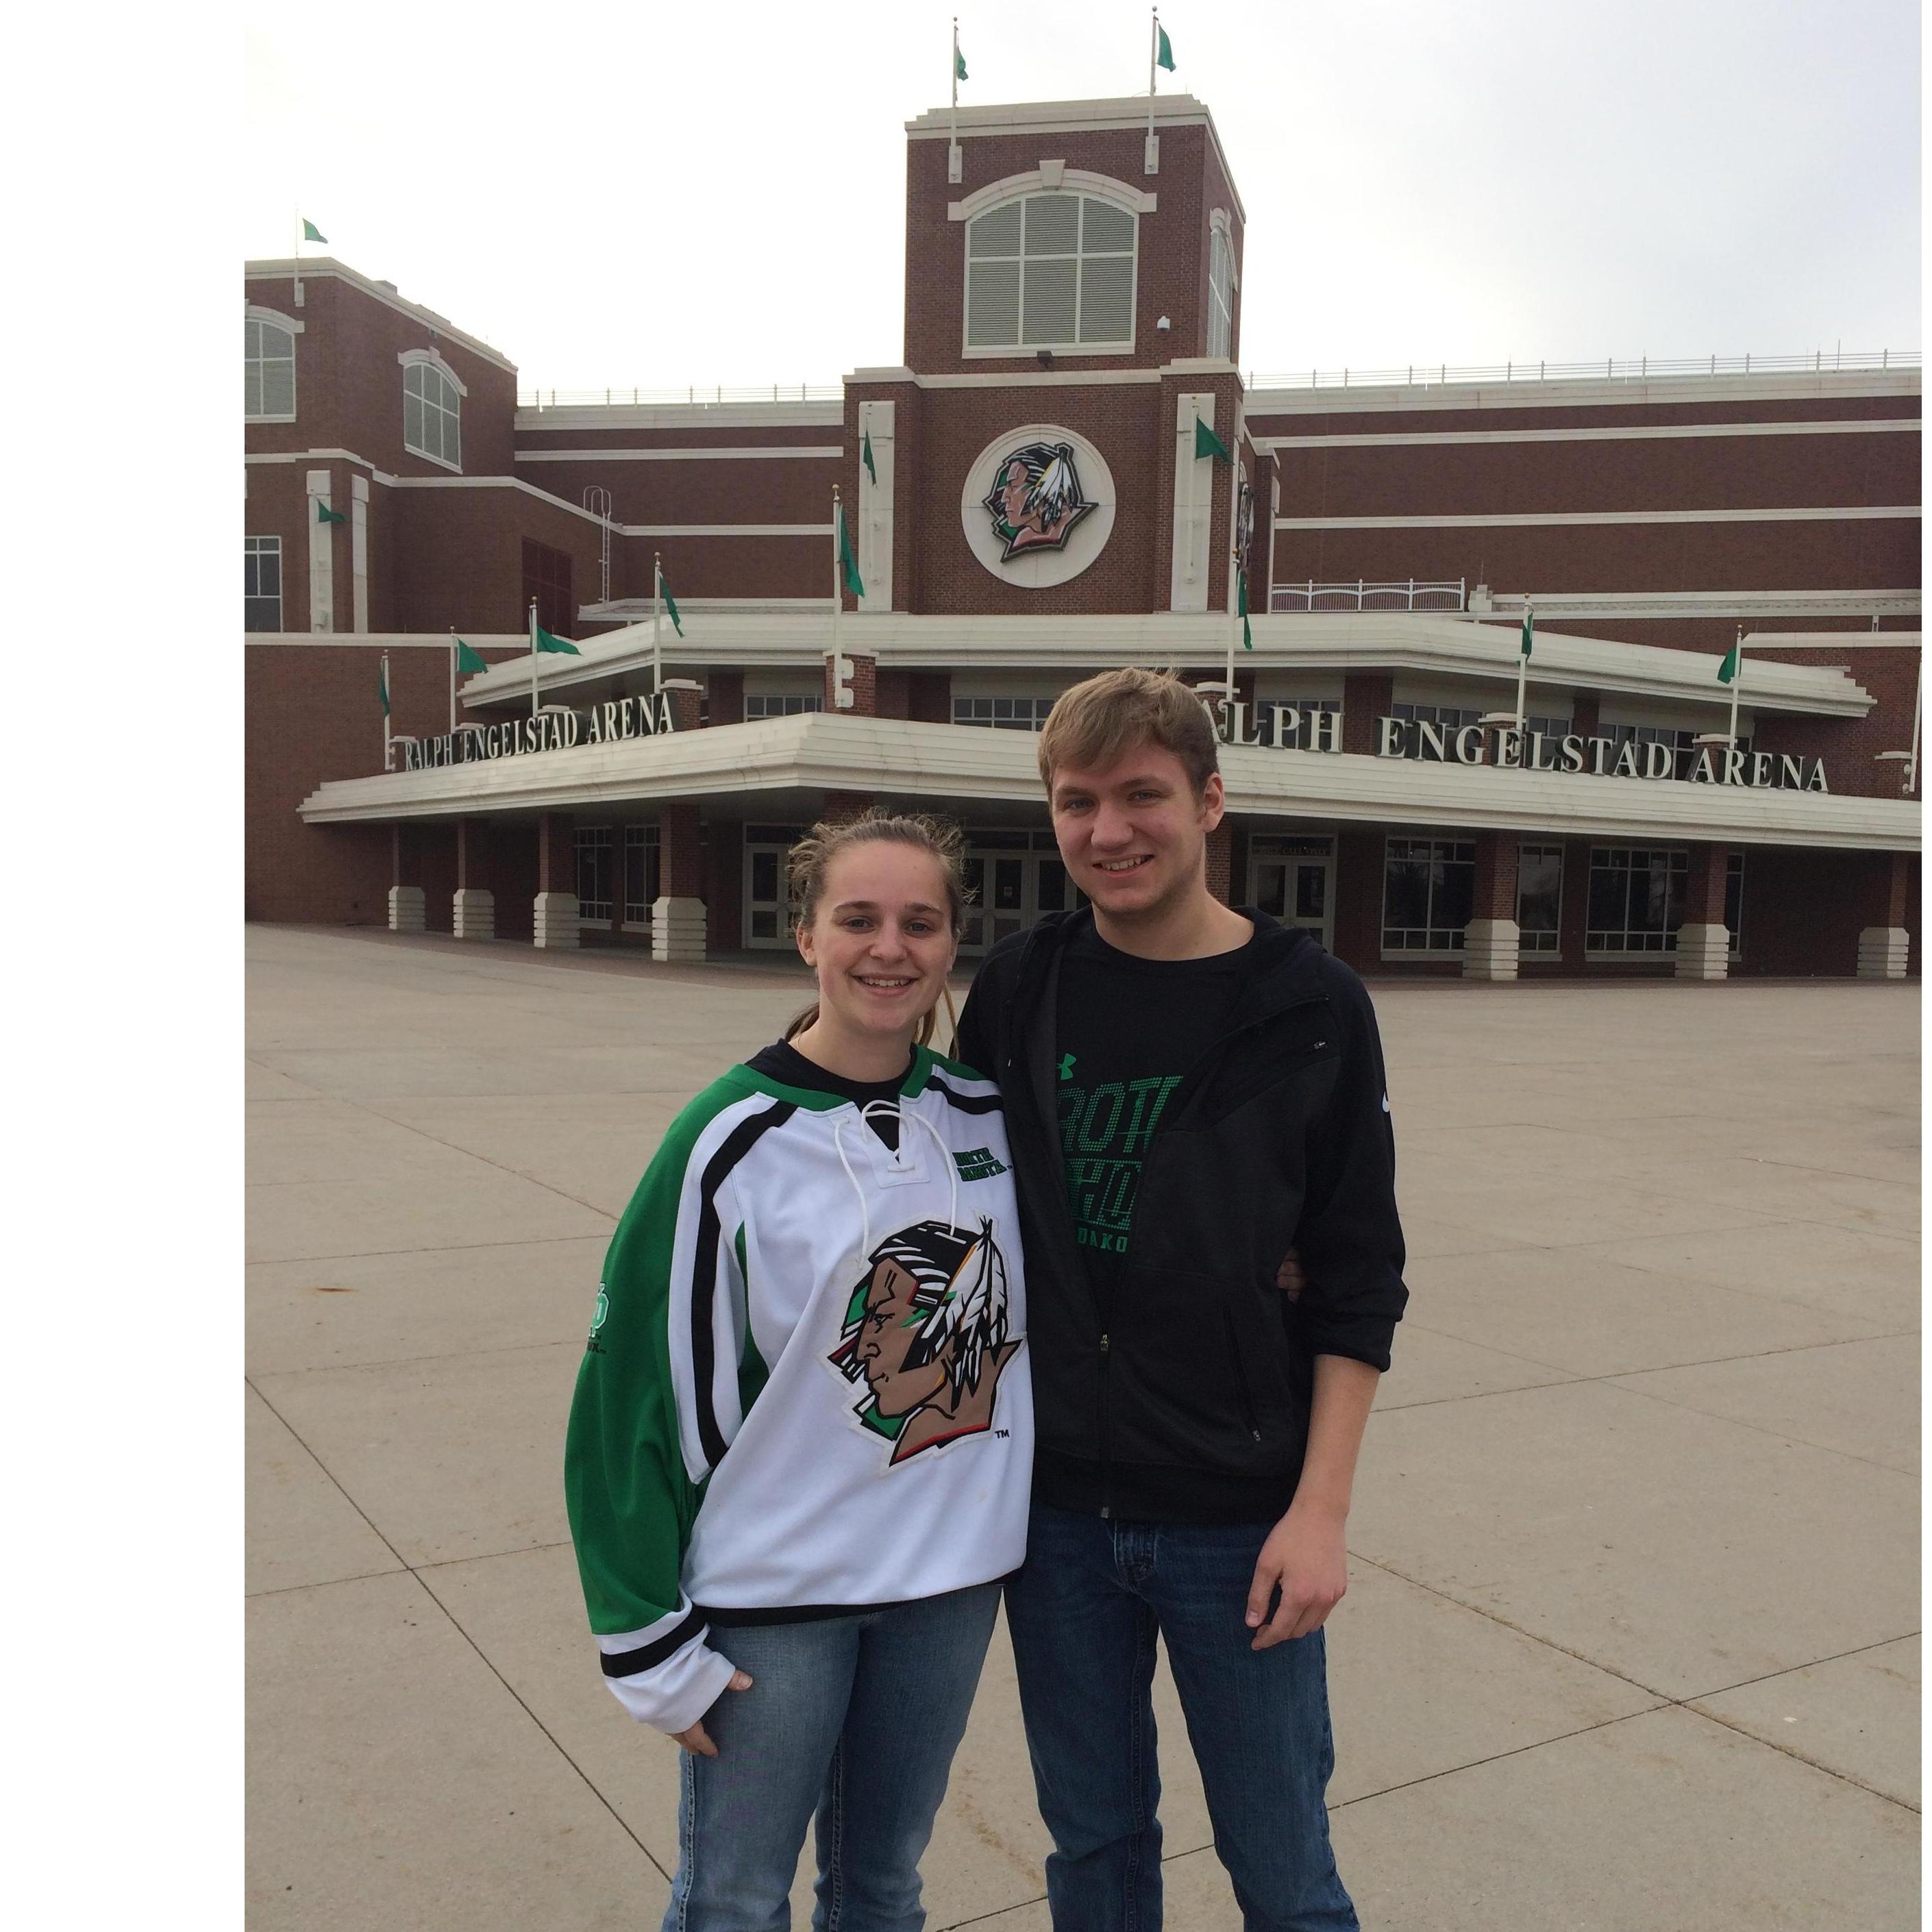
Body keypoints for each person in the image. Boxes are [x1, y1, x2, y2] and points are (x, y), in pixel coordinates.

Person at [955, 668, 1408, 1932]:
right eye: (1078, 802)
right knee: (1094, 1850)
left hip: (1238, 1517)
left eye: (1142, 795)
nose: (1110, 831)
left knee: (1283, 1864)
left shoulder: (1310, 1005)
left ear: (1211, 801)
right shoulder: (1018, 987)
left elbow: (1360, 1276)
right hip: (1055, 1517)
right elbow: (949, 1199)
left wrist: (1320, 1515)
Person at [566, 810, 1032, 1932]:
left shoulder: (984, 1117)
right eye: (858, 920)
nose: (890, 949)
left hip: (946, 1588)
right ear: (807, 935)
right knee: (735, 1900)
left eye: (920, 923)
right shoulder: (728, 1137)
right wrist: (644, 1636)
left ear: (953, 941)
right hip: (776, 1604)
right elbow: (635, 1391)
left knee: (883, 1888)